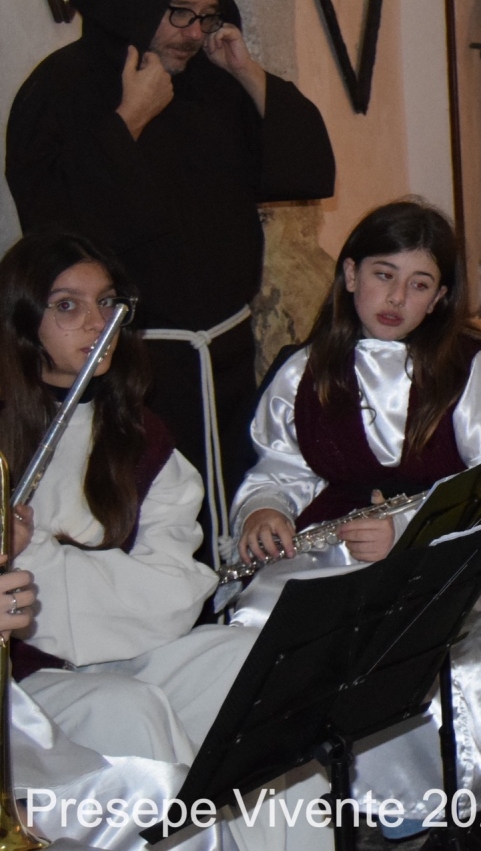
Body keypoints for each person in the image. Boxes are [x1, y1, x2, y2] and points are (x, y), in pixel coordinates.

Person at [7, 0, 336, 566]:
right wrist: (129, 121)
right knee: (155, 536)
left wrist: (245, 71)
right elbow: (58, 234)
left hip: (226, 360)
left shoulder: (212, 84)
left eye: (207, 16)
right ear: (135, 1)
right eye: (178, 12)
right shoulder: (60, 90)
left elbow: (305, 170)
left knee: (237, 528)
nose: (192, 32)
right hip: (133, 370)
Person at [0, 232, 327, 851]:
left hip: (133, 652)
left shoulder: (141, 436)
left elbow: (171, 598)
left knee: (260, 668)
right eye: (67, 306)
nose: (96, 322)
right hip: (25, 689)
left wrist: (38, 554)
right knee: (128, 710)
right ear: (22, 320)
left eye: (107, 303)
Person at [230, 200, 481, 825]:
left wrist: (409, 533)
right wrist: (264, 509)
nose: (397, 297)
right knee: (265, 612)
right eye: (383, 274)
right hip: (328, 547)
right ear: (349, 274)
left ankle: (407, 797)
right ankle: (295, 794)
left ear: (440, 298)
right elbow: (283, 468)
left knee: (396, 634)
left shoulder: (472, 375)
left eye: (419, 284)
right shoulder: (304, 371)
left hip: (434, 562)